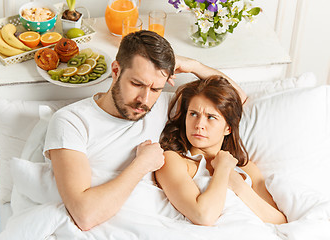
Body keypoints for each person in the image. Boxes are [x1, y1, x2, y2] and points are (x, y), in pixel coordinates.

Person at [43, 30, 247, 231]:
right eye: (136, 84)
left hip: (164, 226)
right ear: (116, 71)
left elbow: (235, 99)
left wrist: (194, 65)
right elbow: (85, 215)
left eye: (156, 88)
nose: (144, 99)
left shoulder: (160, 106)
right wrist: (141, 165)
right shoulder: (71, 121)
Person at [155, 76, 287, 226]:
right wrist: (223, 168)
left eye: (211, 117)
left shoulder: (246, 167)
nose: (199, 124)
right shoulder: (172, 160)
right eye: (193, 114)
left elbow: (279, 221)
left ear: (228, 128)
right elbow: (203, 216)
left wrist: (239, 185)